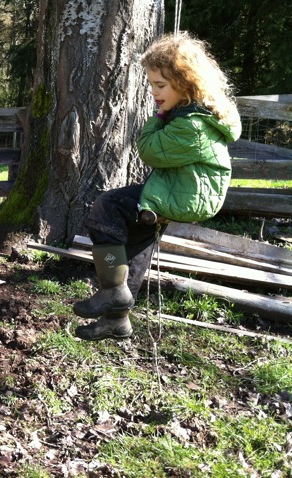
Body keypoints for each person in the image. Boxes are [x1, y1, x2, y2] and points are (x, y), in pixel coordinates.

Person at [73, 32, 242, 341]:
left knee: (106, 208)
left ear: (186, 83)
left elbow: (149, 148)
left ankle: (113, 291)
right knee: (136, 240)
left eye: (160, 85)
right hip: (182, 190)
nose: (153, 92)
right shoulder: (191, 114)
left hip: (187, 195)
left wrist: (157, 116)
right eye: (151, 84)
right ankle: (117, 320)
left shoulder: (192, 124)